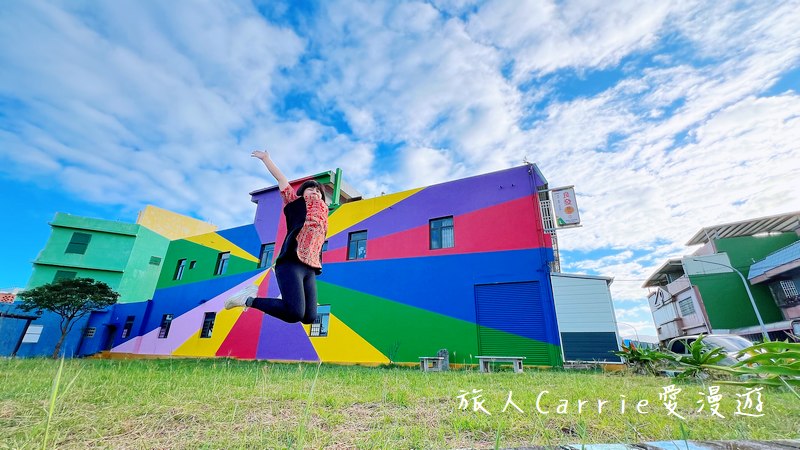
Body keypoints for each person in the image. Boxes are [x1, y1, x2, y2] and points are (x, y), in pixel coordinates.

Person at [224, 149, 328, 325]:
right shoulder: (295, 203)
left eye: (318, 192)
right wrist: (266, 159)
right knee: (294, 313)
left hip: (309, 267)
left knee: (309, 317)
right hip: (290, 262)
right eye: (311, 189)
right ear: (302, 193)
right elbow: (282, 180)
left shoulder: (323, 213)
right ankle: (248, 299)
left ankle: (280, 296)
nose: (315, 193)